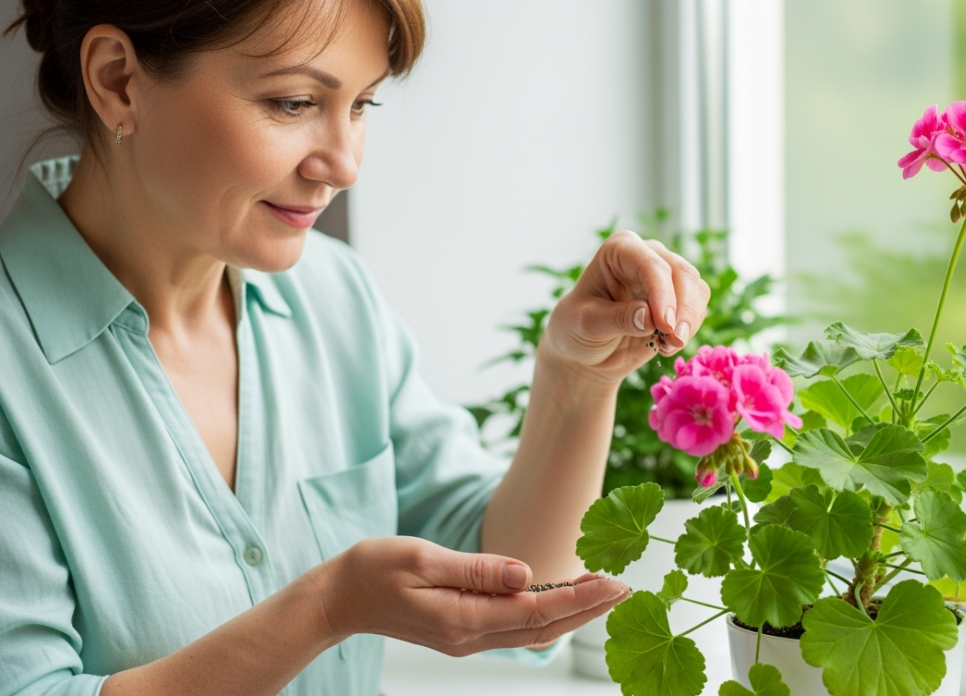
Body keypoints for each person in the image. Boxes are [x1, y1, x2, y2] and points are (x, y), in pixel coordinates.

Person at [0, 0, 710, 694]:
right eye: (293, 103)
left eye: (364, 104)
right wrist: (324, 609)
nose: (343, 165)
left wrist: (576, 378)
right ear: (118, 80)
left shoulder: (334, 298)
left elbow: (511, 576)